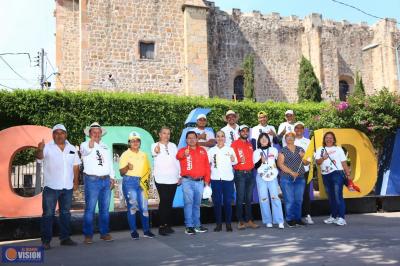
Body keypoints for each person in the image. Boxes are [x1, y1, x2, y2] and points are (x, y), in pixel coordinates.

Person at [36, 124, 81, 250]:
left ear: (66, 134)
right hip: (51, 187)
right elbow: (39, 159)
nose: (59, 135)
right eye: (56, 132)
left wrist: (76, 181)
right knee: (48, 214)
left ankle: (65, 238)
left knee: (65, 213)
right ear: (53, 135)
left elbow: (76, 166)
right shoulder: (47, 147)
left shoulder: (72, 148)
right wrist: (39, 149)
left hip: (67, 187)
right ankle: (46, 241)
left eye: (62, 133)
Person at [80, 122, 115, 244]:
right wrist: (92, 142)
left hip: (106, 180)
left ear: (101, 134)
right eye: (93, 132)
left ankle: (104, 233)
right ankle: (88, 235)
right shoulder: (84, 145)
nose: (96, 134)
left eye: (98, 132)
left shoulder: (105, 146)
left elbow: (109, 162)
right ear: (89, 134)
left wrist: (112, 177)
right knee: (90, 209)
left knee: (104, 209)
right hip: (92, 181)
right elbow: (86, 150)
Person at [119, 131, 155, 239]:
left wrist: (148, 182)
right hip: (130, 182)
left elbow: (147, 170)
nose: (135, 142)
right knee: (132, 207)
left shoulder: (144, 154)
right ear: (129, 143)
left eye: (137, 140)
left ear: (140, 142)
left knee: (144, 207)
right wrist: (127, 167)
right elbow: (121, 172)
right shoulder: (125, 154)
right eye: (132, 141)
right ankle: (133, 231)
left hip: (142, 181)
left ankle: (146, 231)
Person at [176, 131, 211, 235]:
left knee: (197, 204)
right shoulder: (183, 150)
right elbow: (178, 156)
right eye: (189, 138)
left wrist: (207, 181)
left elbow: (207, 167)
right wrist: (184, 154)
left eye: (193, 138)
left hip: (200, 182)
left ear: (197, 139)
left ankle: (197, 225)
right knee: (188, 203)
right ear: (186, 140)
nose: (191, 140)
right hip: (187, 181)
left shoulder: (203, 151)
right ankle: (189, 226)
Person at [315, 131, 351, 226]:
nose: (328, 139)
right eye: (327, 137)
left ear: (334, 139)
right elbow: (318, 162)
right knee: (331, 196)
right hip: (325, 175)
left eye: (330, 137)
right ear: (324, 140)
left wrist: (347, 173)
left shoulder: (338, 149)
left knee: (338, 195)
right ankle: (334, 216)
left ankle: (342, 218)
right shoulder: (320, 149)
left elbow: (343, 162)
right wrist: (323, 158)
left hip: (337, 174)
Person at [151, 127, 180, 236]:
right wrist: (156, 150)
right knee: (164, 201)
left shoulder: (173, 146)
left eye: (168, 133)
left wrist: (180, 175)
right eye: (164, 133)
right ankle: (161, 226)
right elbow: (154, 152)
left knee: (169, 202)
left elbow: (177, 161)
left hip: (173, 177)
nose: (166, 135)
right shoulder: (155, 145)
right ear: (159, 134)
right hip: (160, 178)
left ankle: (167, 225)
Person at [277, 132, 309, 227]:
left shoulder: (300, 149)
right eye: (287, 137)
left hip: (300, 178)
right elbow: (280, 164)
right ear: (285, 140)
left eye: (291, 137)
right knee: (289, 200)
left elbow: (306, 163)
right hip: (286, 178)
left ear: (294, 138)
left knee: (298, 199)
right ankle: (290, 219)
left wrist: (303, 157)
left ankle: (298, 219)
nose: (290, 138)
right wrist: (291, 172)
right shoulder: (282, 151)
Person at [207, 131, 237, 232]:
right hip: (215, 179)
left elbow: (235, 161)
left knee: (228, 202)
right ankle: (218, 224)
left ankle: (228, 224)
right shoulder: (211, 150)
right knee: (217, 202)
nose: (220, 138)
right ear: (216, 138)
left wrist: (233, 158)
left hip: (228, 179)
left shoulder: (230, 149)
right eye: (218, 136)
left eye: (222, 136)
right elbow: (207, 164)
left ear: (225, 138)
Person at [253, 133, 284, 229]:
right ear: (259, 141)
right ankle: (268, 220)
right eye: (261, 138)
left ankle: (279, 220)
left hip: (272, 177)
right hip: (261, 177)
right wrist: (260, 161)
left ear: (268, 140)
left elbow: (278, 162)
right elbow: (255, 166)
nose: (263, 139)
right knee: (264, 199)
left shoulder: (274, 150)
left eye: (265, 138)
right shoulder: (256, 152)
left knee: (275, 197)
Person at [231, 125, 259, 230]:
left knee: (248, 198)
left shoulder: (250, 144)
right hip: (240, 174)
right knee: (240, 198)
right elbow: (232, 159)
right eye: (242, 131)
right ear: (239, 133)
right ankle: (240, 221)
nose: (245, 132)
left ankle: (249, 220)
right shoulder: (234, 144)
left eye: (247, 131)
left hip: (251, 174)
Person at [293, 122, 314, 225]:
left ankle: (307, 215)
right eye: (297, 128)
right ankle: (296, 216)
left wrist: (304, 156)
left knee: (305, 194)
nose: (299, 129)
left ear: (303, 129)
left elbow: (310, 157)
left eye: (301, 128)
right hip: (292, 172)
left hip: (304, 171)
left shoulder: (308, 141)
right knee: (294, 194)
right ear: (294, 129)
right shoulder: (290, 140)